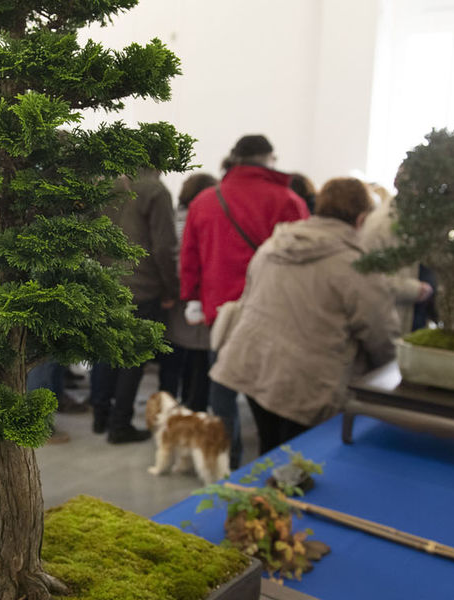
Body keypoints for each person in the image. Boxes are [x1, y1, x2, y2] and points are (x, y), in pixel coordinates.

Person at [209, 177, 398, 454]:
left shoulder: (275, 245)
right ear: (360, 219)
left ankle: (262, 494)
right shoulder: (356, 265)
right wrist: (390, 372)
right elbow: (379, 332)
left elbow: (249, 297)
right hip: (308, 382)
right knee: (301, 463)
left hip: (253, 364)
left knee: (270, 453)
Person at [180, 134, 309, 467]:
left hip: (218, 310)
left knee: (221, 390)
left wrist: (191, 296)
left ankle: (227, 463)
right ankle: (269, 463)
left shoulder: (205, 201)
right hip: (269, 311)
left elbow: (190, 257)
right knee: (265, 391)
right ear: (269, 159)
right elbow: (302, 264)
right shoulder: (288, 201)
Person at [90, 169, 178, 444]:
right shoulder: (154, 190)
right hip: (142, 284)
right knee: (132, 359)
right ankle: (120, 425)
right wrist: (171, 288)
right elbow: (163, 247)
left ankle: (101, 416)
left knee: (106, 352)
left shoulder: (108, 184)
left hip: (107, 282)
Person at [158, 172, 218, 412]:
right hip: (195, 294)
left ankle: (166, 409)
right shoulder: (205, 220)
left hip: (173, 293)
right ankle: (194, 410)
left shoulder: (171, 217)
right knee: (198, 359)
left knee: (171, 356)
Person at [359, 185, 433, 336]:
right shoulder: (381, 224)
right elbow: (367, 275)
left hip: (414, 314)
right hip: (392, 318)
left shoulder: (420, 219)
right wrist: (412, 289)